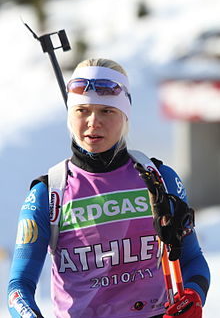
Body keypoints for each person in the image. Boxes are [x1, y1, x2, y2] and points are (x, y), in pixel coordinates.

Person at [7, 58, 210, 318]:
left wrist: (193, 296)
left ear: (125, 115)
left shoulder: (160, 179)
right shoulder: (49, 193)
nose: (93, 122)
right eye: (82, 110)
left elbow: (193, 261)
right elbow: (18, 287)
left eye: (107, 111)